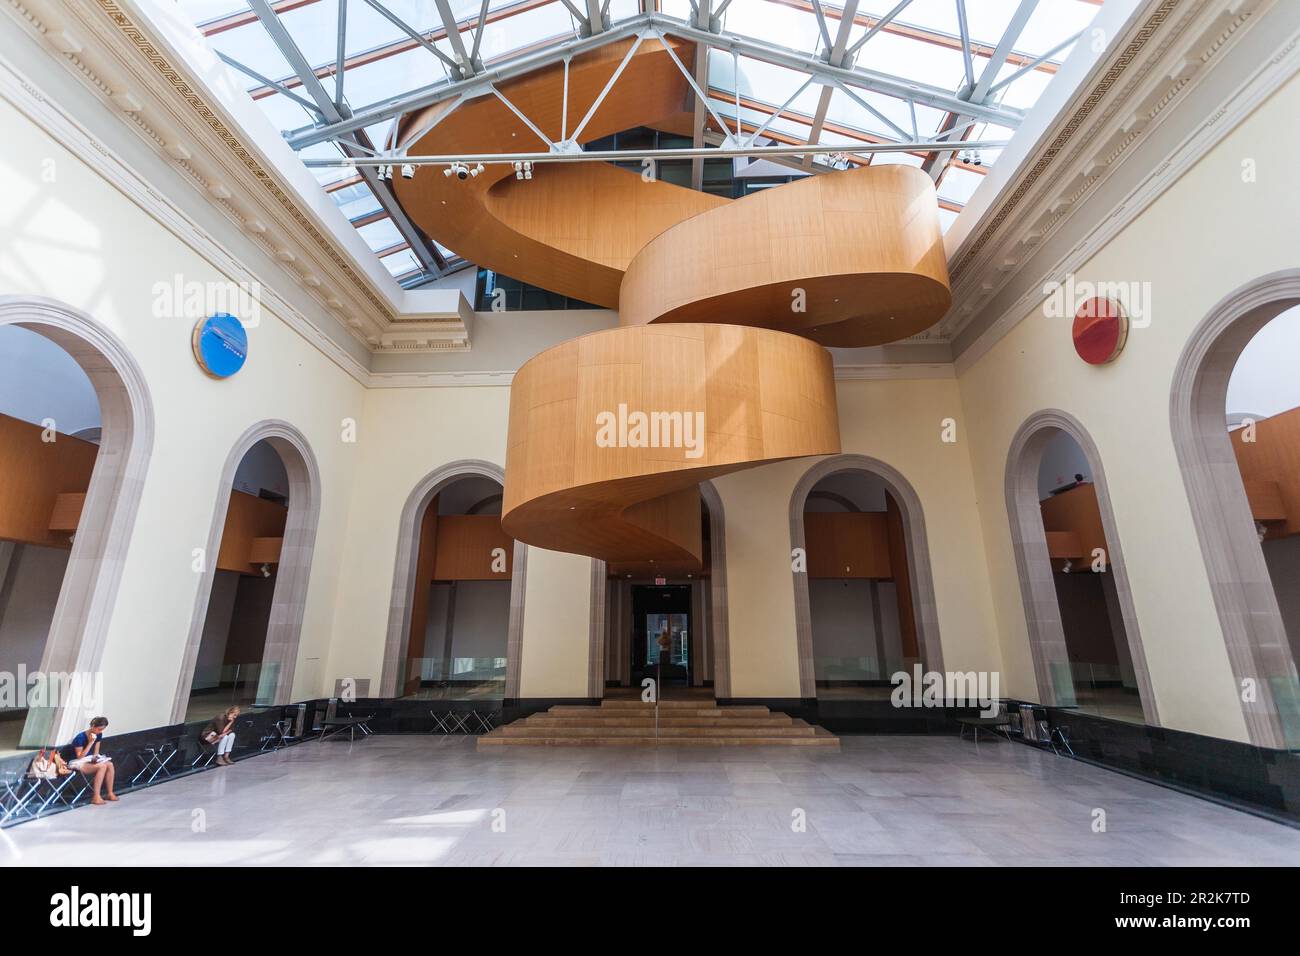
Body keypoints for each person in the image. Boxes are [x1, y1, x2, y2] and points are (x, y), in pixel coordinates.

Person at [70, 716, 117, 805]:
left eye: (102, 730)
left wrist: (96, 758)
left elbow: (96, 752)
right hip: (77, 761)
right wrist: (91, 742)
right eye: (99, 729)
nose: (100, 732)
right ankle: (96, 796)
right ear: (93, 726)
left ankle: (110, 793)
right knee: (102, 766)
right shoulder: (80, 737)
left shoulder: (98, 735)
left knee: (109, 764)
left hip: (89, 759)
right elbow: (80, 757)